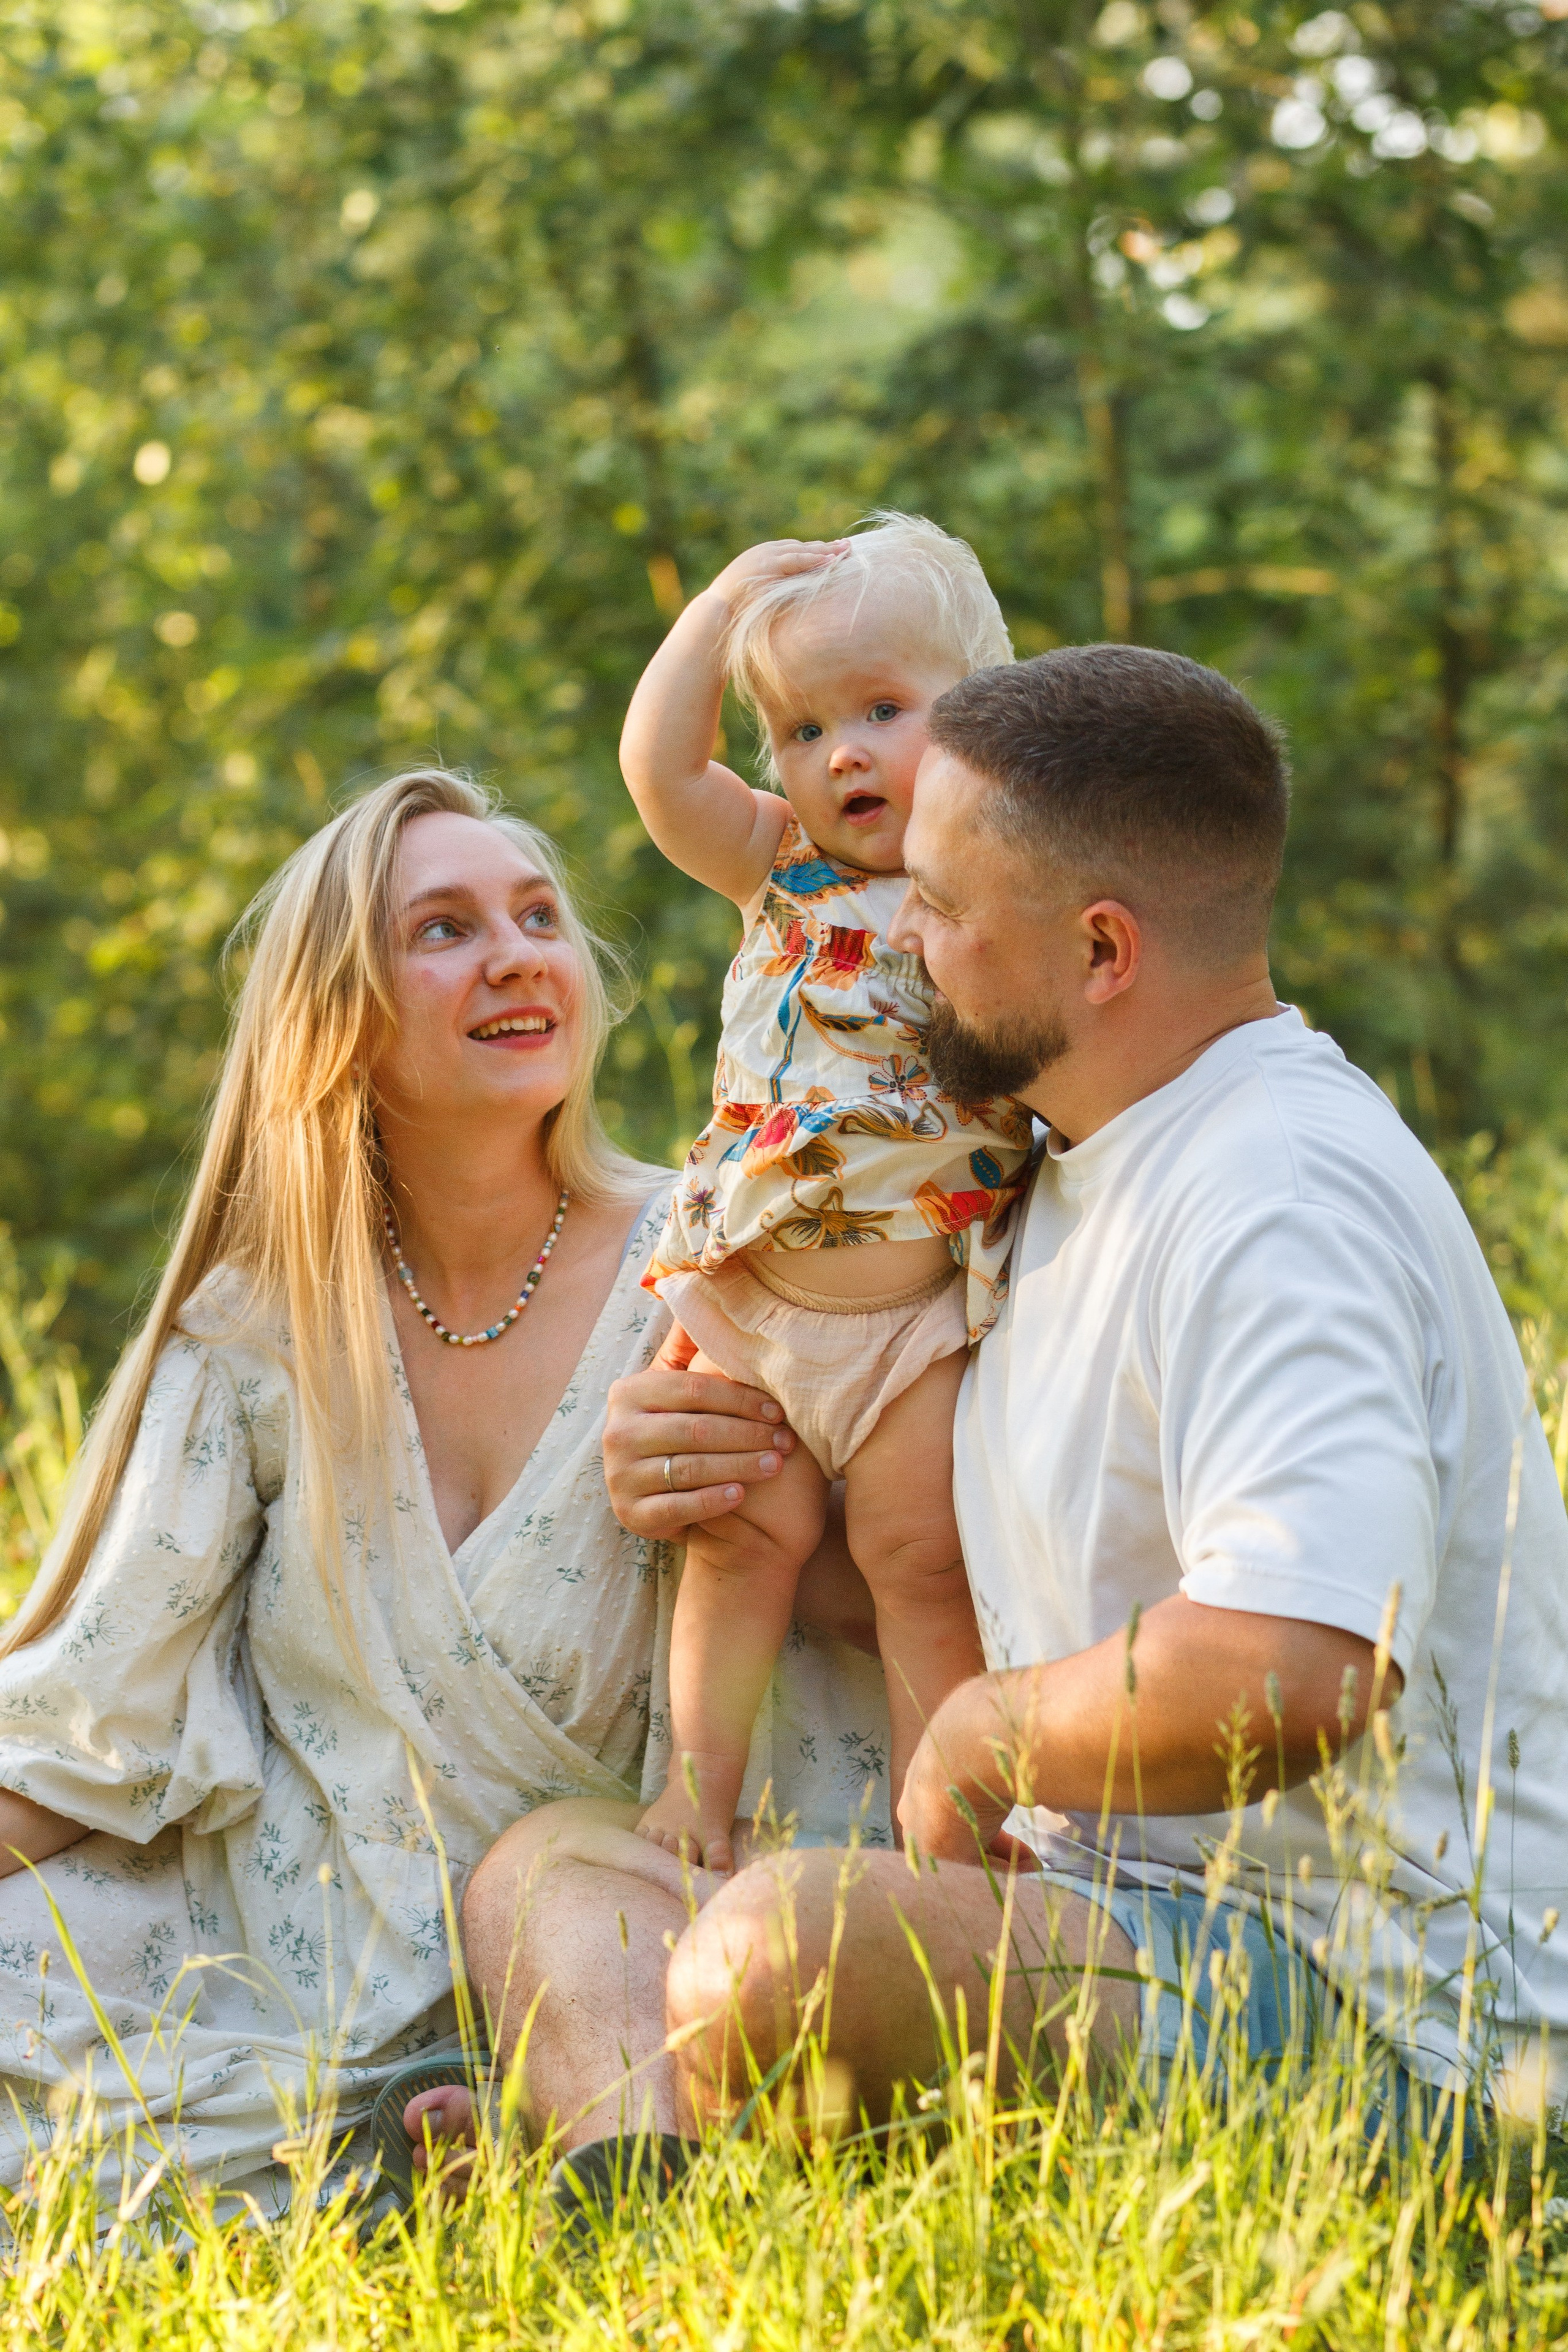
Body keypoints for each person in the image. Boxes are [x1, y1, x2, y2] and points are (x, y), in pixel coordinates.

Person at [467, 644, 1568, 2150]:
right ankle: (625, 2176)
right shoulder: (1042, 1164)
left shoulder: (1274, 1194)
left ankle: (689, 2146)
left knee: (775, 1955)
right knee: (553, 1866)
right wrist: (704, 1455)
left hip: (1368, 2011)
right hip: (1094, 1911)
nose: (901, 939)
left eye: (940, 905)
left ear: (1100, 950)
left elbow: (1302, 1663)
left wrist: (990, 1729)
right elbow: (948, 1554)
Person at [0, 767, 891, 2208]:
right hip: (300, 1968)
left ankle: (553, 2128)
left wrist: (778, 1507)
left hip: (629, 1935)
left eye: (538, 914)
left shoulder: (722, 1253)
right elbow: (91, 1713)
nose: (520, 952)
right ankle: (447, 2139)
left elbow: (917, 1585)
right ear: (336, 1019)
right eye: (445, 930)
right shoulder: (258, 1334)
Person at [620, 514, 1032, 1872]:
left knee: (922, 1561)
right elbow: (656, 768)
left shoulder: (989, 892)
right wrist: (725, 598)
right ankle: (697, 1797)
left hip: (917, 1315)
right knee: (742, 1543)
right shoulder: (775, 866)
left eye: (881, 710)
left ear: (980, 721)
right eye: (800, 731)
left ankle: (944, 1828)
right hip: (755, 1294)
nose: (838, 753)